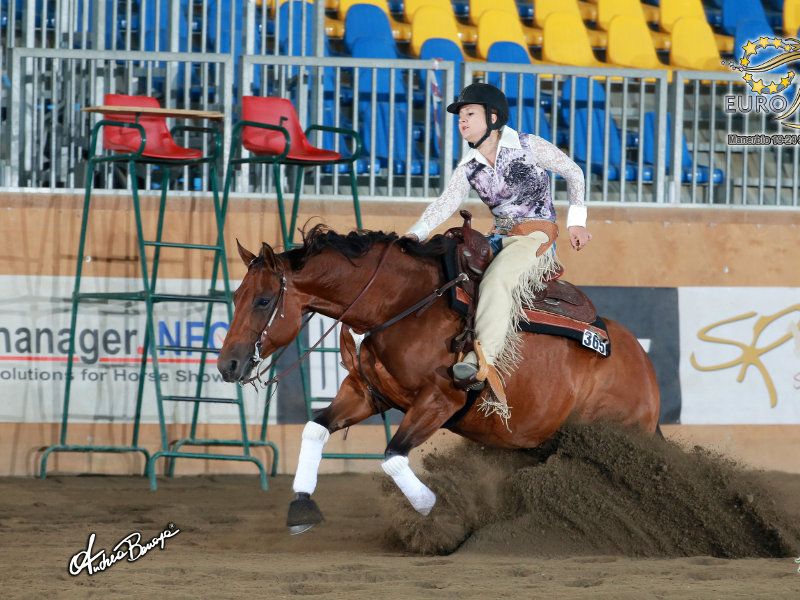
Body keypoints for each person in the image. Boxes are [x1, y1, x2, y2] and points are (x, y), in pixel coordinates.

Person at [404, 83, 591, 396]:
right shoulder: (468, 165)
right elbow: (445, 203)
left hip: (536, 236)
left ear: (492, 116)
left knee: (497, 281)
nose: (462, 121)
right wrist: (417, 232)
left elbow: (574, 172)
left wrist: (577, 222)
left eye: (469, 114)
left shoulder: (528, 145)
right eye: (460, 116)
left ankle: (483, 362)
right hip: (496, 237)